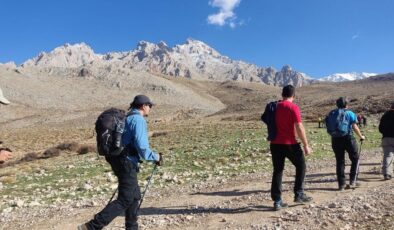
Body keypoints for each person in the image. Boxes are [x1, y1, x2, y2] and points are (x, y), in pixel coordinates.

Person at [78, 95, 162, 230]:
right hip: (126, 162)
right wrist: (156, 157)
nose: (150, 108)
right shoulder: (138, 120)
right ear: (143, 106)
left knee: (134, 197)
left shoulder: (127, 118)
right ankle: (91, 227)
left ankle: (132, 227)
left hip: (118, 160)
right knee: (126, 199)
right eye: (150, 106)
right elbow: (143, 148)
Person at [268, 85, 313, 211]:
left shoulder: (274, 106)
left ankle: (277, 201)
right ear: (293, 95)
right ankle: (299, 194)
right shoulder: (293, 107)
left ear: (282, 94)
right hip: (290, 144)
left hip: (275, 143)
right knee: (301, 166)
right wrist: (306, 145)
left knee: (278, 170)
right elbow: (299, 127)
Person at [327, 97, 365, 190]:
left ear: (337, 104)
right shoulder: (350, 113)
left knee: (340, 161)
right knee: (355, 159)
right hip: (348, 138)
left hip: (335, 139)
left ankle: (341, 185)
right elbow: (354, 126)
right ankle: (353, 180)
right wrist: (361, 136)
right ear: (346, 105)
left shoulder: (332, 113)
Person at [378, 101, 394, 180]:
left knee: (388, 155)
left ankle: (387, 173)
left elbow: (380, 128)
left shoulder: (385, 115)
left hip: (386, 138)